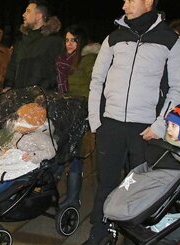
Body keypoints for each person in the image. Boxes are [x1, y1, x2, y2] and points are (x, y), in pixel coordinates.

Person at [84, 0, 180, 245]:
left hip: (146, 129)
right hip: (111, 124)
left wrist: (160, 125)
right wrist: (97, 121)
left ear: (148, 2)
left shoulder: (172, 41)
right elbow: (97, 80)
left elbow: (177, 88)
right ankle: (99, 229)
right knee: (107, 183)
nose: (124, 4)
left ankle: (135, 240)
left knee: (139, 187)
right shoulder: (114, 38)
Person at [54, 24, 100, 209]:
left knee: (75, 153)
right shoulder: (62, 60)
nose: (70, 44)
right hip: (64, 111)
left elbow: (96, 86)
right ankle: (53, 191)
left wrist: (89, 110)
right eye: (67, 40)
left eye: (74, 40)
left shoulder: (88, 60)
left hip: (81, 112)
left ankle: (73, 198)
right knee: (59, 150)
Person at [3, 0, 63, 91]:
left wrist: (38, 93)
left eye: (28, 11)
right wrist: (8, 86)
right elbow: (12, 66)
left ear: (39, 16)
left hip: (41, 99)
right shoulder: (21, 40)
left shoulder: (54, 42)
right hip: (19, 97)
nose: (23, 14)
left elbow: (53, 74)